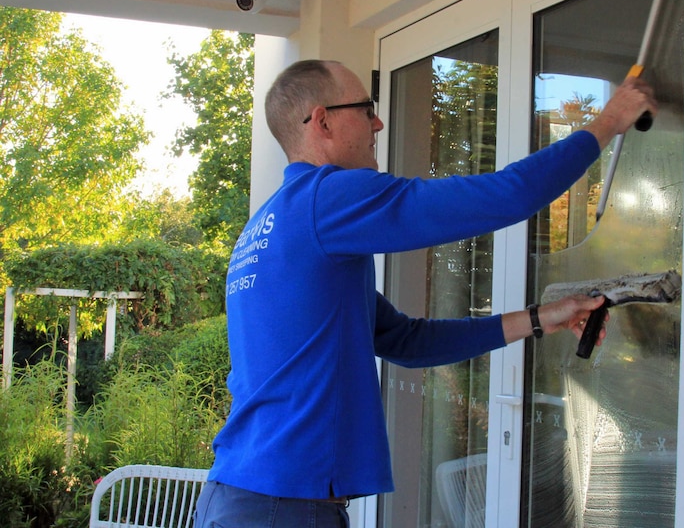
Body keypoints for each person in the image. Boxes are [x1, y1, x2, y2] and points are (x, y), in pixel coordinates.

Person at [194, 59, 657, 528]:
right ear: (323, 121)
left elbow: (407, 341)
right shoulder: (327, 199)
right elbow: (504, 196)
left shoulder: (272, 224)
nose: (377, 122)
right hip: (282, 507)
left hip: (244, 497)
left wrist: (540, 318)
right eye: (365, 108)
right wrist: (608, 122)